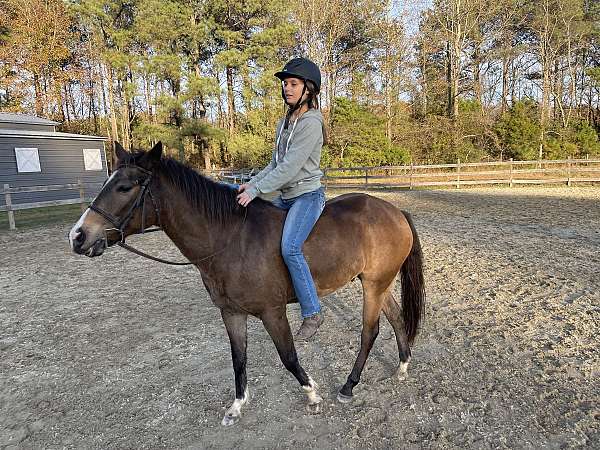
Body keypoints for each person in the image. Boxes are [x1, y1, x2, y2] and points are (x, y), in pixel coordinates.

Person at [237, 57, 326, 340]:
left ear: (308, 89)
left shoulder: (312, 123)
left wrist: (257, 192)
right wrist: (249, 184)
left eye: (293, 83)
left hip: (306, 196)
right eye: (285, 84)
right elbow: (275, 164)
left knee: (289, 248)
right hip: (284, 196)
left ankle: (312, 312)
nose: (287, 88)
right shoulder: (285, 122)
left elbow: (290, 168)